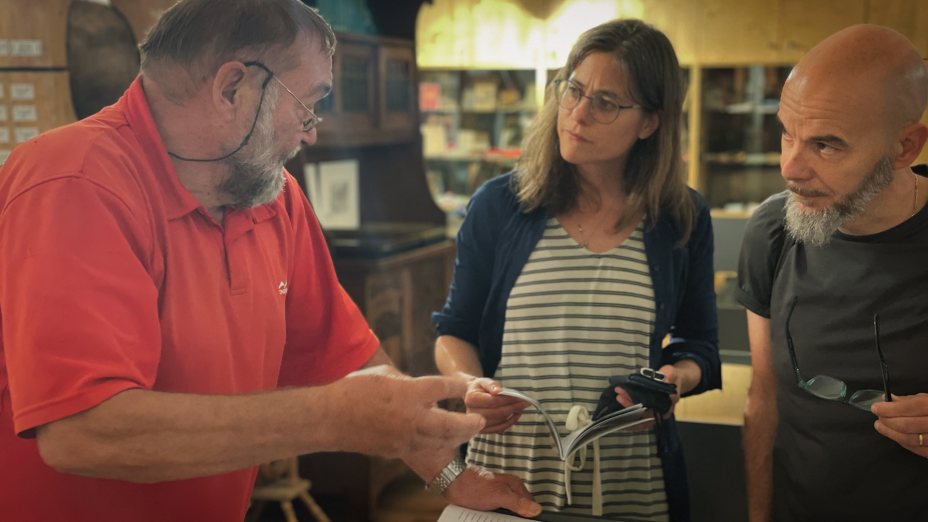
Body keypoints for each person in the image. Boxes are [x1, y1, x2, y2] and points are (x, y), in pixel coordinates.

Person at [0, 1, 543, 521]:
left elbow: (347, 360)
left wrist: (453, 478)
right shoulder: (73, 180)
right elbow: (81, 431)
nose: (311, 130)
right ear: (233, 86)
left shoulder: (274, 196)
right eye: (308, 102)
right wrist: (332, 418)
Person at [432, 19, 721, 521]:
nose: (578, 114)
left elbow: (701, 346)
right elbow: (453, 332)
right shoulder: (500, 205)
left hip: (631, 486)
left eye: (606, 102)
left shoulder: (681, 218)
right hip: (505, 479)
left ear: (650, 122)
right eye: (574, 90)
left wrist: (672, 379)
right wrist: (469, 387)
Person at [737, 24, 928, 522]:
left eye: (826, 146)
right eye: (786, 133)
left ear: (905, 147)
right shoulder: (772, 233)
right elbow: (763, 402)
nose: (790, 168)